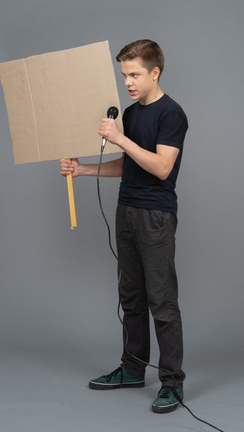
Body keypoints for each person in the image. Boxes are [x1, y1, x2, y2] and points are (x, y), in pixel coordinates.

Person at [60, 39, 188, 413]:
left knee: (161, 301)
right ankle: (132, 369)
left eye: (134, 74)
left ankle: (172, 383)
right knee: (130, 296)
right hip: (126, 210)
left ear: (154, 72)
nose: (128, 82)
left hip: (156, 216)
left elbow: (161, 167)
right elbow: (127, 164)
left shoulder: (172, 114)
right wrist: (83, 169)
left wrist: (119, 137)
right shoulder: (130, 115)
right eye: (124, 75)